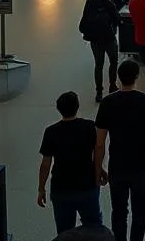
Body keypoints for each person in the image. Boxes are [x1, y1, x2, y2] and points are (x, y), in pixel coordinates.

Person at [94, 60, 145, 241]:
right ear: (136, 77)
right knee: (139, 212)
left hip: (117, 167)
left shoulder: (108, 102)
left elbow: (100, 143)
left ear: (118, 78)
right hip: (142, 167)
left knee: (118, 211)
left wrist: (98, 168)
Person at [37, 91, 102, 234]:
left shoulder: (51, 132)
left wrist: (41, 188)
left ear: (59, 109)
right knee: (94, 228)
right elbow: (97, 152)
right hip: (87, 185)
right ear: (77, 107)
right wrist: (99, 172)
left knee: (65, 231)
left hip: (61, 188)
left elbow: (45, 164)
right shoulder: (90, 127)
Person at [79, 0, 119, 102]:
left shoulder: (89, 2)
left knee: (98, 65)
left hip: (94, 39)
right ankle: (112, 86)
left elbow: (84, 20)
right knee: (113, 61)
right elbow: (117, 20)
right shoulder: (109, 3)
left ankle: (99, 92)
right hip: (109, 38)